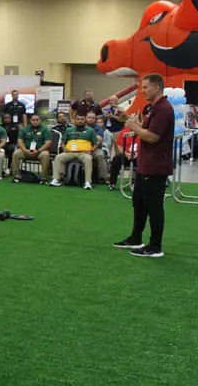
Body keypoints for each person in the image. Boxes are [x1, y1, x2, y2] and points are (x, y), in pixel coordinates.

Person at [113, 73, 175, 258]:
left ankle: (156, 246)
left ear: (157, 88)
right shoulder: (153, 108)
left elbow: (152, 136)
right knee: (139, 203)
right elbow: (145, 128)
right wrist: (127, 119)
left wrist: (133, 127)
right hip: (145, 163)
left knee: (154, 206)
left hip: (156, 165)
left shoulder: (163, 109)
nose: (143, 91)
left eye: (146, 87)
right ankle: (136, 237)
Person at [49, 113, 99, 190]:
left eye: (82, 119)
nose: (80, 121)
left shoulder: (90, 130)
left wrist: (91, 150)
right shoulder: (69, 130)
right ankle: (56, 179)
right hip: (70, 152)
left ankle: (88, 182)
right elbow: (63, 142)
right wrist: (64, 148)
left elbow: (96, 143)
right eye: (78, 119)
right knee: (58, 157)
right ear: (75, 120)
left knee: (88, 159)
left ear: (85, 120)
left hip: (83, 153)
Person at [11, 114, 52, 182]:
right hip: (26, 151)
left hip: (40, 151)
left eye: (37, 120)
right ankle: (16, 176)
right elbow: (20, 141)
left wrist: (39, 150)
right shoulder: (24, 129)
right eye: (33, 120)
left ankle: (44, 177)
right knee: (16, 153)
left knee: (45, 154)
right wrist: (25, 150)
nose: (35, 121)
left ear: (40, 120)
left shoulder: (45, 129)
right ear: (30, 121)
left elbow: (48, 142)